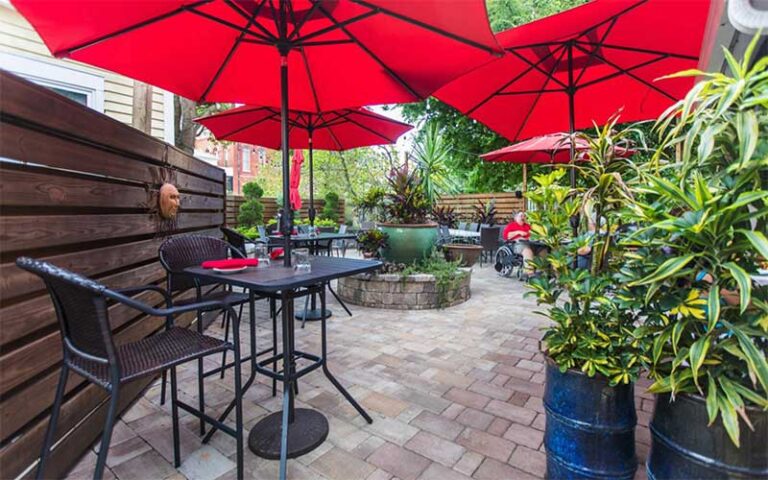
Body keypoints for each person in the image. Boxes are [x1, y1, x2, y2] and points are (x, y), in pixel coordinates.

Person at [503, 212, 546, 276]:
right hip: (519, 244)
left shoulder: (528, 226)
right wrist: (518, 232)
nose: (523, 217)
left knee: (543, 250)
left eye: (524, 216)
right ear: (516, 218)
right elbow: (506, 236)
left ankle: (545, 271)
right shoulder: (511, 225)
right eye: (521, 216)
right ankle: (530, 273)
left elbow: (533, 235)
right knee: (527, 251)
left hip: (531, 243)